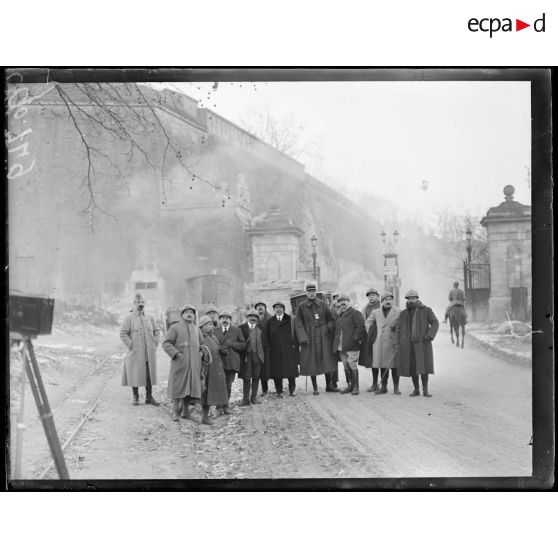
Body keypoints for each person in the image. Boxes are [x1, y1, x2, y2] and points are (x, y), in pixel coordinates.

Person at [162, 303, 208, 421]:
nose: (189, 314)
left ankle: (186, 412)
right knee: (178, 387)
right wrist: (176, 354)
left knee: (190, 388)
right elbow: (166, 343)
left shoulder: (197, 329)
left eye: (191, 312)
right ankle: (175, 411)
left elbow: (202, 344)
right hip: (179, 363)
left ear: (194, 315)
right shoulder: (175, 328)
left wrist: (201, 353)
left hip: (194, 364)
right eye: (186, 312)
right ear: (182, 315)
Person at [294, 281, 337, 395]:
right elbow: (298, 323)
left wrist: (327, 329)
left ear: (316, 292)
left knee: (326, 359)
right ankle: (315, 387)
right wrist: (303, 337)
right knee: (311, 360)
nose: (311, 293)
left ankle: (329, 385)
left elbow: (331, 319)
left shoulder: (323, 304)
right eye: (309, 291)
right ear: (306, 293)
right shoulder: (302, 307)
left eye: (313, 291)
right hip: (309, 336)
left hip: (323, 336)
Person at [395, 289, 439, 397]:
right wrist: (397, 343)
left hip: (423, 344)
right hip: (408, 345)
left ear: (417, 298)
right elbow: (398, 329)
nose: (411, 300)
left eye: (413, 298)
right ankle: (416, 390)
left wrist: (429, 336)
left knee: (424, 367)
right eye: (409, 298)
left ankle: (425, 390)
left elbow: (435, 323)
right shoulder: (403, 314)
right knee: (412, 366)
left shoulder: (426, 310)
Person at [120, 293, 161, 406]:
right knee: (135, 373)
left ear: (145, 304)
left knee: (149, 374)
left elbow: (157, 331)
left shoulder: (150, 317)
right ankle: (135, 396)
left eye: (142, 302)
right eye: (138, 302)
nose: (140, 304)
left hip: (149, 352)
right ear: (134, 304)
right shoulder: (129, 318)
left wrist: (155, 343)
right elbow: (123, 333)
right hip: (135, 352)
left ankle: (149, 397)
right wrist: (131, 345)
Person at [366, 291, 401, 395]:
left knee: (394, 366)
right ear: (382, 301)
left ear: (392, 301)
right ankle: (384, 387)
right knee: (382, 365)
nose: (388, 301)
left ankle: (396, 387)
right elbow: (368, 322)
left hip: (393, 341)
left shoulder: (399, 311)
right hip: (379, 342)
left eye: (390, 299)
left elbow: (402, 325)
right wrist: (373, 332)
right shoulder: (376, 312)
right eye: (386, 300)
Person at [198, 316, 229, 425]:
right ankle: (204, 416)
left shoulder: (214, 337)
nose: (212, 327)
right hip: (205, 370)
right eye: (209, 324)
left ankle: (218, 410)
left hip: (216, 368)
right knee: (205, 393)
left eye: (212, 324)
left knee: (215, 392)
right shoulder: (199, 338)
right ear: (202, 326)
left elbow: (218, 349)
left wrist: (223, 351)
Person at [332, 294, 366, 395]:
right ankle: (350, 386)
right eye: (341, 301)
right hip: (341, 345)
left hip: (351, 345)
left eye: (345, 300)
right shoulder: (340, 314)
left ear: (349, 301)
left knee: (352, 365)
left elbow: (361, 327)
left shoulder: (355, 313)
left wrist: (355, 338)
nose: (343, 303)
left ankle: (356, 387)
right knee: (346, 366)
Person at [213, 310, 246, 413]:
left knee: (228, 384)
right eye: (223, 318)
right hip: (218, 361)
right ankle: (218, 407)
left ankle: (226, 405)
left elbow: (243, 345)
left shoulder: (236, 330)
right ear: (219, 320)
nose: (225, 320)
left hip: (231, 362)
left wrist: (233, 344)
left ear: (231, 320)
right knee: (218, 384)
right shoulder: (214, 331)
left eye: (227, 318)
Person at [265, 301, 299, 397]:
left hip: (289, 350)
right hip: (275, 351)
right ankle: (279, 391)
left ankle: (292, 390)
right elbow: (266, 336)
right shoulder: (270, 321)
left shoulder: (291, 320)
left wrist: (295, 346)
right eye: (276, 307)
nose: (278, 309)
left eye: (280, 307)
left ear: (284, 309)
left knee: (291, 371)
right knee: (277, 372)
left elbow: (296, 334)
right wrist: (269, 348)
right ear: (274, 310)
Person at [238, 308, 268, 405]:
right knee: (246, 378)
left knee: (256, 377)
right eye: (250, 316)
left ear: (257, 318)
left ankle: (253, 398)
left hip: (258, 356)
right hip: (246, 357)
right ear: (247, 318)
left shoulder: (261, 328)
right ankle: (245, 399)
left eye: (255, 316)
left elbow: (265, 344)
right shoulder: (241, 328)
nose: (253, 318)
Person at [359, 287, 381, 391]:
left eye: (373, 295)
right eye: (369, 295)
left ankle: (383, 384)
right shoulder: (365, 308)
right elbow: (364, 322)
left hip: (382, 334)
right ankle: (375, 383)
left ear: (377, 296)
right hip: (370, 335)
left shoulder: (382, 305)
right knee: (373, 360)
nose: (371, 297)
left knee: (383, 359)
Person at [255, 301, 272, 395]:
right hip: (258, 346)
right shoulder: (254, 319)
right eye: (258, 307)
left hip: (269, 346)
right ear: (256, 309)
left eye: (262, 306)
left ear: (265, 308)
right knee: (261, 368)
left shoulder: (270, 318)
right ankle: (264, 389)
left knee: (272, 366)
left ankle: (279, 388)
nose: (260, 308)